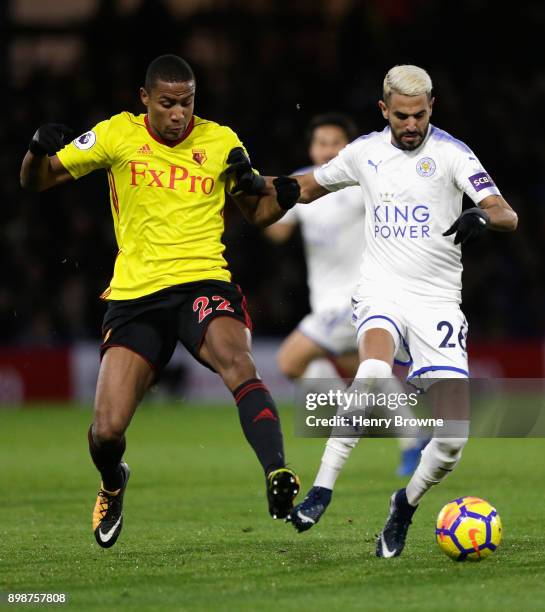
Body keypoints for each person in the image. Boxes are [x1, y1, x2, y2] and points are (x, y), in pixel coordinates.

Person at [20, 54, 300, 549]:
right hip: (136, 295)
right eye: (168, 103)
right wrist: (36, 152)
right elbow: (37, 181)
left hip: (204, 283)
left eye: (187, 103)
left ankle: (277, 471)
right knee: (105, 433)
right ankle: (113, 482)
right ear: (144, 98)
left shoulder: (221, 140)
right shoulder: (116, 135)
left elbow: (258, 212)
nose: (178, 114)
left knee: (239, 363)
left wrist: (284, 192)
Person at [271, 65, 517, 557]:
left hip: (437, 302)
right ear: (384, 110)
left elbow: (505, 212)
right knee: (374, 369)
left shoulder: (452, 153)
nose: (411, 125)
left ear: (432, 109)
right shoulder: (364, 152)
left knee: (451, 442)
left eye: (420, 115)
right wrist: (256, 187)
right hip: (380, 292)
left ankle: (404, 504)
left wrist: (480, 216)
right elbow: (306, 186)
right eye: (401, 116)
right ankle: (322, 487)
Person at [266, 112, 428, 480]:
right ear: (312, 147)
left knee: (290, 361)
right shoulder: (303, 182)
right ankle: (413, 439)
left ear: (348, 147)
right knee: (369, 371)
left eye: (334, 143)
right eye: (320, 143)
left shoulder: (360, 182)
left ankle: (352, 416)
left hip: (355, 299)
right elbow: (277, 231)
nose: (326, 150)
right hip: (325, 303)